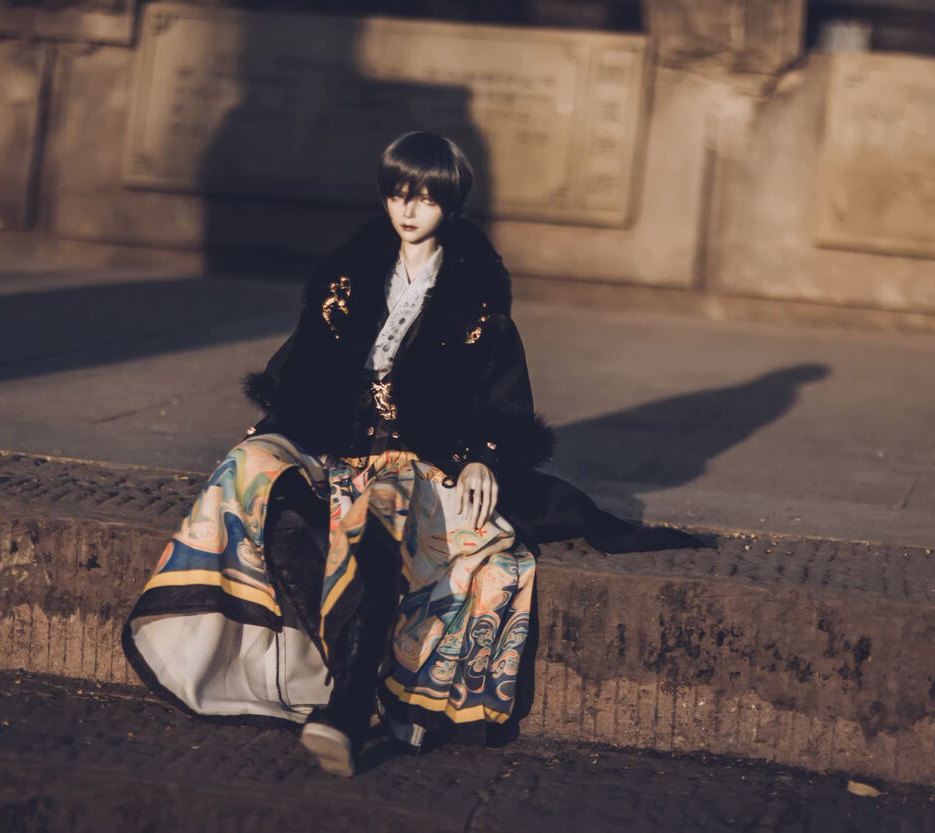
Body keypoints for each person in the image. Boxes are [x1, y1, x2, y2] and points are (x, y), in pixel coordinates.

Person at [122, 131, 705, 778]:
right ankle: (328, 663)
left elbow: (502, 399)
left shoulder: (475, 296)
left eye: (425, 198)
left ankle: (347, 708)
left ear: (449, 205)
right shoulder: (347, 277)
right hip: (337, 445)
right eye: (399, 194)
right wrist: (271, 427)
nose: (408, 209)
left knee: (379, 513)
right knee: (252, 468)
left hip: (420, 460)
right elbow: (303, 370)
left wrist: (484, 456)